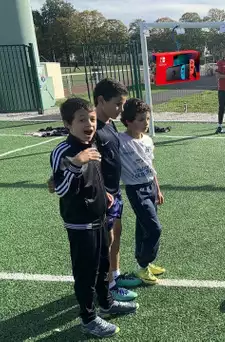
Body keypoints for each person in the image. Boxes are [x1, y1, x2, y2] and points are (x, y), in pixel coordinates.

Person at [50, 98, 138, 338]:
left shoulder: (91, 145)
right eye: (81, 120)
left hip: (99, 216)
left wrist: (105, 195)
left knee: (102, 266)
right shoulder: (64, 151)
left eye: (91, 119)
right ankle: (88, 319)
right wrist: (77, 163)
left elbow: (92, 179)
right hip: (80, 223)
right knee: (86, 273)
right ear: (68, 124)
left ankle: (106, 303)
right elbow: (61, 189)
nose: (89, 124)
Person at [118, 98, 166, 285]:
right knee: (154, 228)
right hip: (136, 190)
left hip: (151, 188)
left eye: (147, 119)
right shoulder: (121, 141)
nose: (145, 123)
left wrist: (158, 189)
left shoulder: (147, 140)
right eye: (140, 119)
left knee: (143, 227)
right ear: (128, 121)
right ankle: (143, 265)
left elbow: (150, 165)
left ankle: (144, 264)